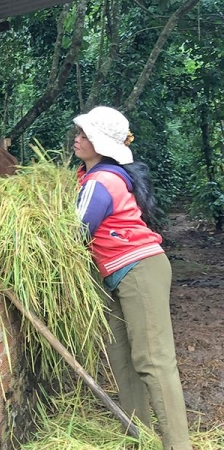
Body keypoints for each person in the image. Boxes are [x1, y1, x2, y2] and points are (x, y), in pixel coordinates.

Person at [72, 106, 192, 450]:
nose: (77, 139)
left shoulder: (102, 181)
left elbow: (75, 233)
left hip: (140, 269)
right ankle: (138, 436)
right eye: (79, 133)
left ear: (102, 143)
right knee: (121, 356)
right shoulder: (91, 176)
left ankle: (177, 444)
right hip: (116, 273)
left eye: (85, 135)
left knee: (153, 360)